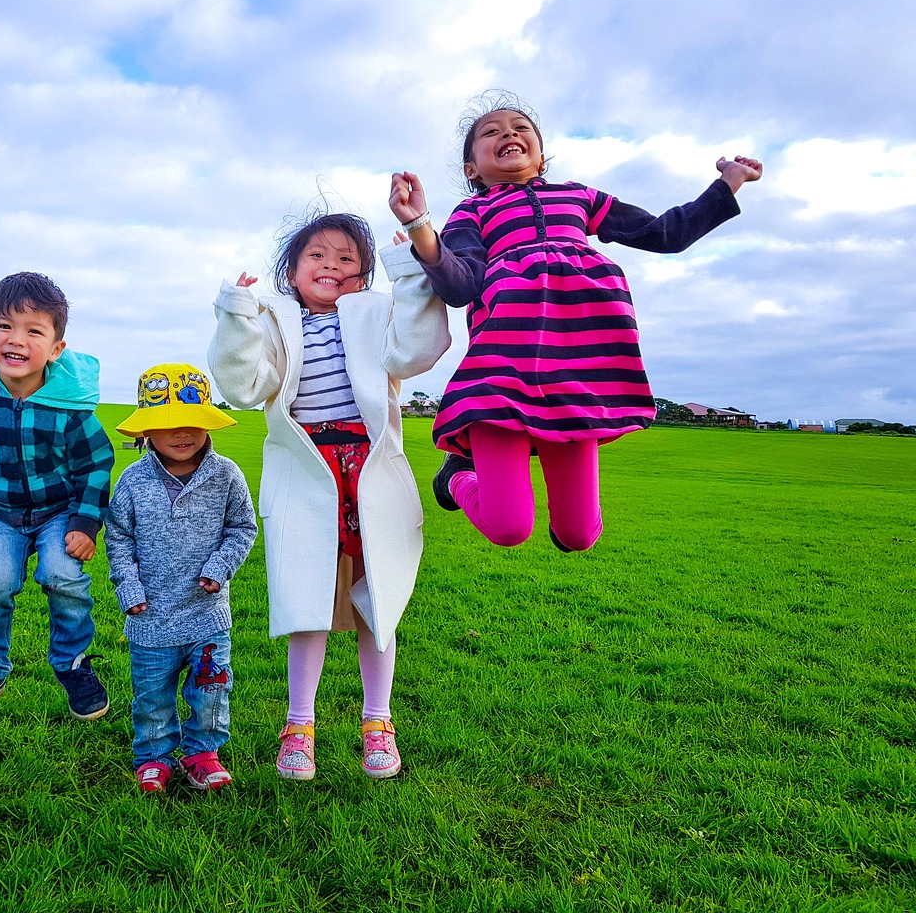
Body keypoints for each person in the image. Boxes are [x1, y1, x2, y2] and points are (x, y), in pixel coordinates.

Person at [389, 93, 762, 552]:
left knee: (578, 535)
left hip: (577, 377)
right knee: (509, 529)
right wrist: (419, 225)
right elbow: (460, 285)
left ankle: (556, 510)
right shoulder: (473, 212)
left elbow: (666, 234)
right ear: (472, 169)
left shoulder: (579, 197)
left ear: (541, 155)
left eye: (521, 127)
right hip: (502, 370)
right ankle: (459, 476)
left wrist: (727, 185)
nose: (508, 132)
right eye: (491, 131)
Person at [209, 212, 451, 781]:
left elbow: (418, 350)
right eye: (317, 256)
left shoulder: (375, 315)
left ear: (364, 274)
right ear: (291, 271)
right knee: (307, 600)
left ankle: (378, 722)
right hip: (306, 470)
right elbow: (244, 387)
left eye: (347, 259)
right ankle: (299, 726)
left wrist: (409, 273)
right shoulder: (273, 320)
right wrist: (237, 313)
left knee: (378, 600)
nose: (331, 267)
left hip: (370, 470)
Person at [0, 271, 115, 723]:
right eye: (5, 326)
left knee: (62, 576)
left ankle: (72, 664)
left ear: (55, 348)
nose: (17, 339)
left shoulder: (69, 404)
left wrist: (86, 523)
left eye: (34, 330)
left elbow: (96, 462)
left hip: (60, 512)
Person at [105, 363, 258, 794]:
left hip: (207, 614)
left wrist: (220, 566)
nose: (182, 433)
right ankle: (154, 757)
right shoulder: (133, 480)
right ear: (146, 431)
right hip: (150, 615)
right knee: (152, 696)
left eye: (192, 421)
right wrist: (129, 587)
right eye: (167, 424)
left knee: (211, 690)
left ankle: (202, 754)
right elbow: (118, 537)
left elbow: (242, 528)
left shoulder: (226, 474)